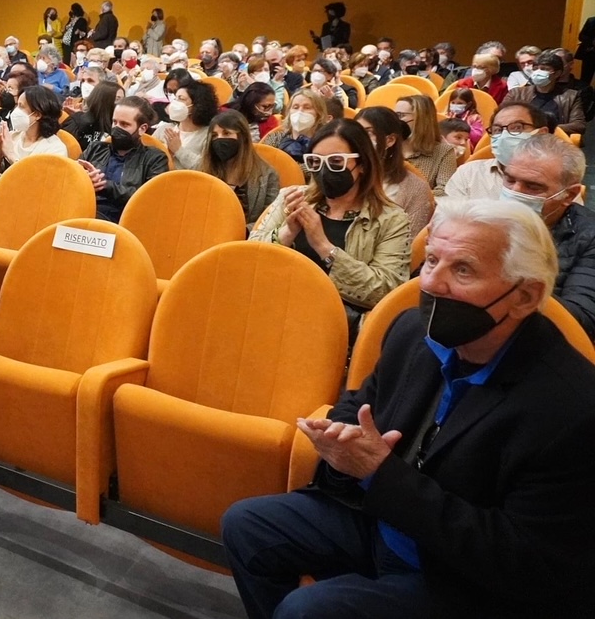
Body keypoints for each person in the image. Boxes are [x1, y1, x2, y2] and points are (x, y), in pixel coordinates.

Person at [224, 197, 595, 618]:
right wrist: (340, 441)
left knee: (309, 609)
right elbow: (359, 404)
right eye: (432, 260)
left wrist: (381, 475)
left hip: (464, 576)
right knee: (248, 524)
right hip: (381, 519)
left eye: (463, 269)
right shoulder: (412, 329)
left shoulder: (571, 408)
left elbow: (527, 561)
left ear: (525, 296)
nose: (432, 283)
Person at [250, 119, 410, 323]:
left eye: (336, 162)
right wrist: (286, 233)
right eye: (315, 162)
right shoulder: (292, 199)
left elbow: (387, 290)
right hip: (276, 308)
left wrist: (324, 247)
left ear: (362, 165)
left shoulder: (392, 220)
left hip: (335, 322)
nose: (324, 171)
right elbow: (250, 258)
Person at [498, 133, 595, 334]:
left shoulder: (589, 237)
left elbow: (581, 319)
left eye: (533, 186)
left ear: (569, 195)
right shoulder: (478, 218)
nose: (515, 192)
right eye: (509, 180)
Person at [77, 97, 168, 222]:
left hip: (125, 219)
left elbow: (149, 199)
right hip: (84, 212)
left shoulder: (154, 158)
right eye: (115, 122)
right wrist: (82, 179)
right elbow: (71, 183)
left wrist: (104, 185)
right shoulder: (95, 148)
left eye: (124, 124)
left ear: (142, 128)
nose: (116, 128)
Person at [357, 107, 434, 243]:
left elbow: (408, 245)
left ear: (390, 140)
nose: (358, 139)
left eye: (368, 133)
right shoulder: (344, 175)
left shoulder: (415, 188)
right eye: (355, 132)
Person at [444, 102, 547, 201]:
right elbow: (445, 216)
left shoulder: (555, 178)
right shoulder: (468, 173)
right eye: (497, 130)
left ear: (542, 133)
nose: (504, 136)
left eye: (517, 127)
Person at [199, 109, 279, 229]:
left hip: (247, 238)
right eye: (215, 136)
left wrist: (240, 231)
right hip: (208, 232)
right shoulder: (203, 170)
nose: (219, 139)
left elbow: (269, 219)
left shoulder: (267, 175)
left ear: (242, 137)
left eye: (226, 133)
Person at [0, 84, 67, 179]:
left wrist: (11, 155)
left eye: (21, 106)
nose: (15, 111)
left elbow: (37, 184)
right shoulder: (11, 137)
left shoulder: (55, 149)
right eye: (17, 105)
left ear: (37, 114)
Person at [504, 49, 585, 136]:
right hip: (520, 138)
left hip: (552, 141)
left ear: (557, 73)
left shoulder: (571, 96)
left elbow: (579, 125)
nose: (538, 72)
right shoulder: (516, 93)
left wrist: (543, 129)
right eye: (535, 68)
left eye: (544, 69)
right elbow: (501, 117)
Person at [394, 95, 458, 195]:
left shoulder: (443, 152)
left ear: (420, 119)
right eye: (393, 115)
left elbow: (445, 191)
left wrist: (408, 198)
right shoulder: (387, 149)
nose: (394, 120)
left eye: (400, 115)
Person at [157, 77, 218, 170]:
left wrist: (179, 150)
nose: (175, 103)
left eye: (181, 99)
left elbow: (207, 168)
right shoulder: (164, 129)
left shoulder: (209, 135)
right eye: (175, 98)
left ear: (197, 105)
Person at [261, 88, 329, 162]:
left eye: (307, 107)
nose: (300, 111)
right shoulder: (275, 138)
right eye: (295, 107)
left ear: (318, 114)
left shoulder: (324, 143)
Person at [63, 79, 121, 153]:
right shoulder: (77, 122)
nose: (123, 104)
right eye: (118, 99)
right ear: (103, 100)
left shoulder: (121, 126)